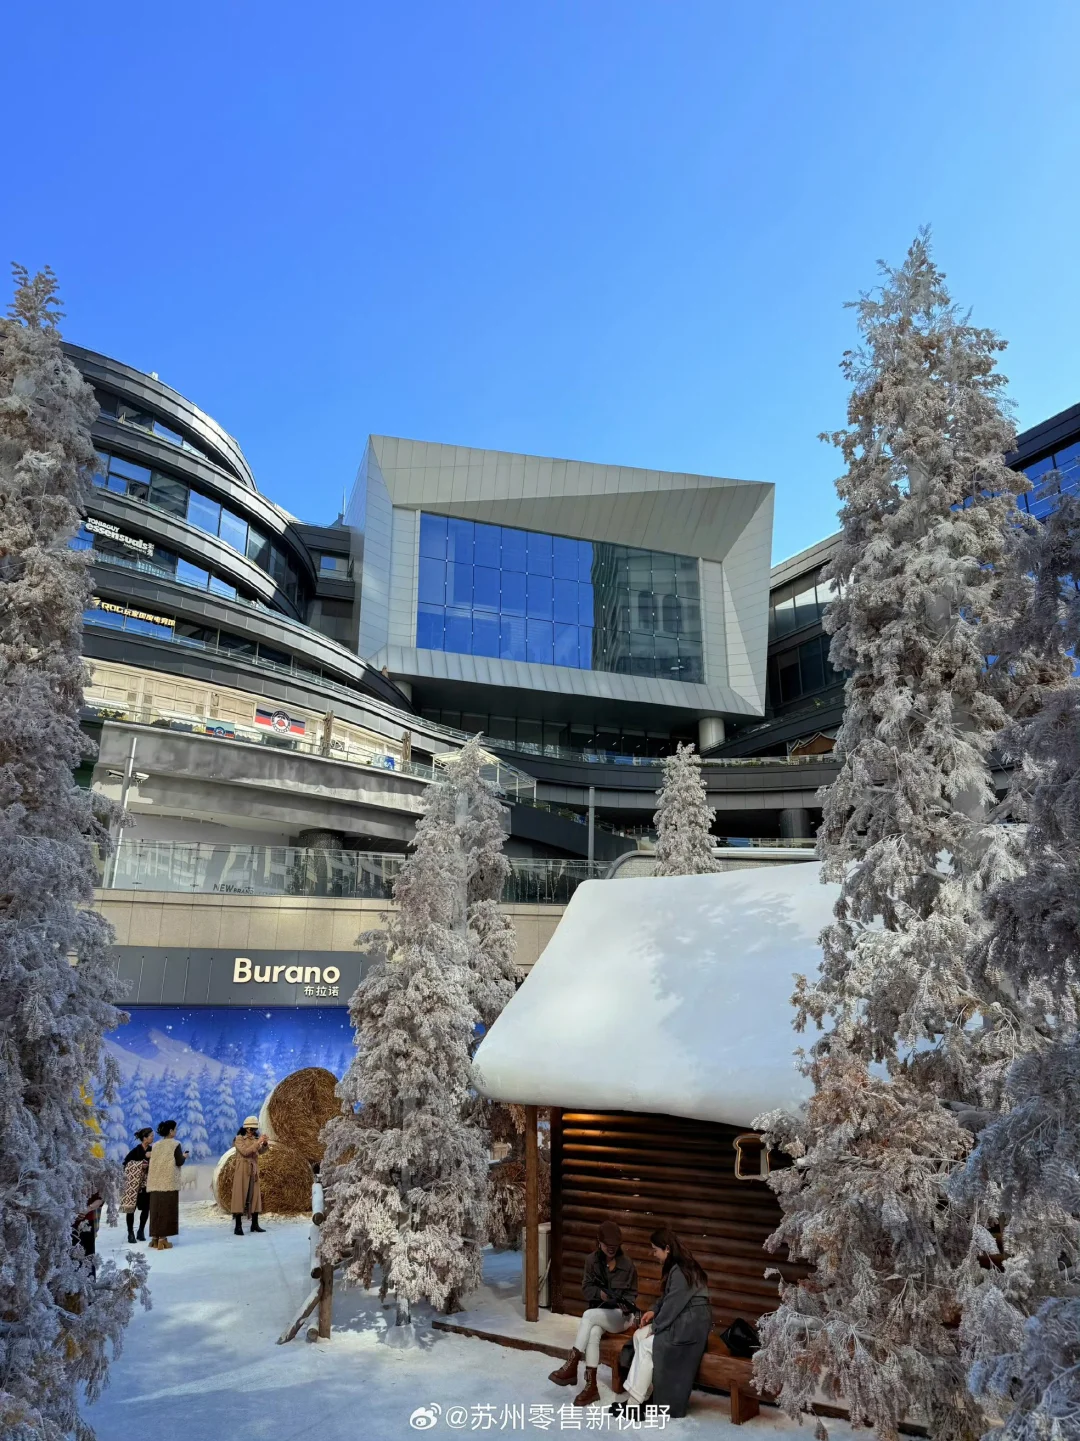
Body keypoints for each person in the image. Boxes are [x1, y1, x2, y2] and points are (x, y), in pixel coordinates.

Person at [611, 1227, 713, 1421]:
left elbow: (673, 1305)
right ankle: (641, 1397)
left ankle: (634, 1403)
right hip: (682, 1319)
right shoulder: (678, 1267)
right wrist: (652, 1311)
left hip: (690, 1326)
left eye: (655, 1250)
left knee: (650, 1345)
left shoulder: (683, 1270)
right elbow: (668, 1298)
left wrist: (656, 1328)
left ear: (667, 1248)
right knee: (639, 1336)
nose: (654, 1254)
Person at [548, 1219, 639, 1407]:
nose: (611, 1249)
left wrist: (626, 1306)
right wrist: (600, 1294)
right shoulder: (591, 1261)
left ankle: (571, 1366)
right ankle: (591, 1386)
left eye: (615, 1246)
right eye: (607, 1246)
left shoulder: (628, 1265)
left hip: (621, 1318)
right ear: (599, 1242)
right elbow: (586, 1287)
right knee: (594, 1331)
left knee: (588, 1316)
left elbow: (632, 1295)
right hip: (600, 1313)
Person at [146, 1119, 188, 1250]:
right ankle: (163, 1240)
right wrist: (185, 1156)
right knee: (167, 1210)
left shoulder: (156, 1145)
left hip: (155, 1182)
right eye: (175, 1129)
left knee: (156, 1210)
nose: (175, 1131)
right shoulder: (175, 1144)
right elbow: (179, 1161)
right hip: (168, 1182)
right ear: (170, 1131)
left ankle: (154, 1238)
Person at [231, 1116, 270, 1235]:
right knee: (240, 1196)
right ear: (247, 1129)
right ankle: (238, 1226)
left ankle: (255, 1224)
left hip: (253, 1169)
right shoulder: (239, 1139)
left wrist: (264, 1144)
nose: (253, 1132)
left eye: (254, 1129)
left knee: (255, 1196)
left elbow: (260, 1152)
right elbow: (245, 1152)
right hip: (242, 1169)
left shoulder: (254, 1138)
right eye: (252, 1129)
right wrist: (258, 1142)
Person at [121, 1127, 154, 1243]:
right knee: (131, 1210)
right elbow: (126, 1165)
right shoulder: (135, 1151)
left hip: (146, 1184)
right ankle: (130, 1233)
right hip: (134, 1186)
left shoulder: (152, 1150)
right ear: (144, 1138)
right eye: (150, 1136)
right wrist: (141, 1164)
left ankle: (141, 1230)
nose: (152, 1138)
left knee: (146, 1209)